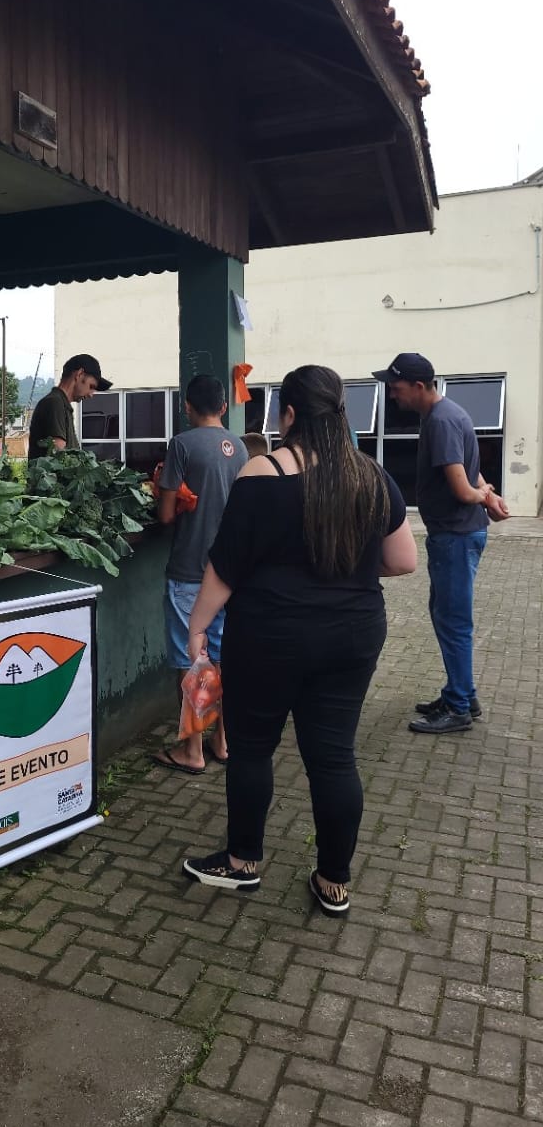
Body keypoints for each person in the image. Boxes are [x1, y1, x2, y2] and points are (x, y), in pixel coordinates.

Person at [180, 365, 417, 916]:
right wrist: (342, 570)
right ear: (340, 415)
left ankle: (243, 863)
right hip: (352, 634)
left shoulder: (262, 472)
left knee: (254, 749)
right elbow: (403, 561)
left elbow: (226, 567)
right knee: (333, 757)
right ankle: (334, 882)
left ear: (286, 415)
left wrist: (196, 629)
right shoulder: (371, 475)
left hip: (269, 636)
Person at [373, 353, 509, 733]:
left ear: (419, 386)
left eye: (396, 389)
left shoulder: (442, 422)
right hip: (456, 534)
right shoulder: (446, 414)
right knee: (446, 615)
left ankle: (459, 707)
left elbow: (462, 490)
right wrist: (487, 491)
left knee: (453, 621)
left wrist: (482, 497)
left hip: (455, 535)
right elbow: (472, 473)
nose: (392, 396)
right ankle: (461, 691)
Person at [153, 375, 248, 774]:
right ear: (224, 407)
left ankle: (192, 751)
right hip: (231, 571)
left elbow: (167, 515)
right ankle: (222, 742)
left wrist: (167, 495)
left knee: (193, 660)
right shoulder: (241, 447)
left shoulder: (182, 444)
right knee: (223, 658)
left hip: (191, 569)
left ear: (187, 407)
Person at [27, 354, 112, 461]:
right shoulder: (55, 403)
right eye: (91, 387)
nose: (91, 394)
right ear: (79, 374)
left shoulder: (61, 404)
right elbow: (61, 456)